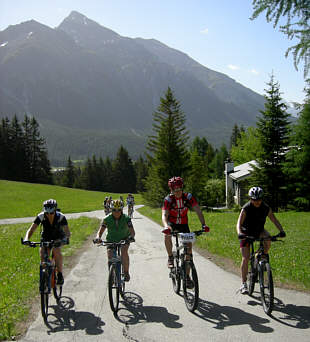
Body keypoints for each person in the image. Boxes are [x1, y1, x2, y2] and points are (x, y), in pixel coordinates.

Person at [236, 186, 286, 294]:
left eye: (259, 199)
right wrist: (240, 233)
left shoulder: (266, 208)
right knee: (245, 257)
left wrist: (281, 230)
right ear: (250, 199)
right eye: (254, 199)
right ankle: (244, 284)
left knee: (267, 239)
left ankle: (262, 259)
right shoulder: (246, 208)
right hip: (246, 233)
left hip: (259, 231)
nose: (257, 202)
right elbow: (238, 223)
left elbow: (274, 219)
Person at [162, 176, 210, 270]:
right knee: (167, 235)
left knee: (188, 254)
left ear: (182, 187)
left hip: (184, 224)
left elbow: (198, 211)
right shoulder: (168, 200)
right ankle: (170, 257)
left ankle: (187, 278)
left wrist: (203, 224)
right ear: (171, 190)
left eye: (179, 188)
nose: (177, 191)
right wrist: (166, 226)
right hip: (172, 223)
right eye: (174, 189)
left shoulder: (188, 197)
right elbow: (164, 215)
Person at [23, 199, 71, 285]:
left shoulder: (61, 217)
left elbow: (67, 232)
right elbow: (32, 229)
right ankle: (45, 278)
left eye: (51, 212)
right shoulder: (41, 216)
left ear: (55, 210)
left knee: (57, 251)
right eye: (47, 212)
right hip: (46, 237)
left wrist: (65, 239)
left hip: (58, 237)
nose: (49, 214)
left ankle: (59, 274)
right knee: (43, 256)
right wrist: (26, 239)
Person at [94, 199, 135, 281]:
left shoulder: (126, 218)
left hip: (124, 239)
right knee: (110, 256)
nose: (116, 212)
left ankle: (126, 272)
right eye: (114, 210)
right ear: (111, 210)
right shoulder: (107, 219)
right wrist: (98, 237)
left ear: (122, 210)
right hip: (111, 240)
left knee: (124, 252)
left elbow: (132, 232)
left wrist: (131, 237)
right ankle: (112, 274)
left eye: (119, 210)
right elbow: (100, 231)